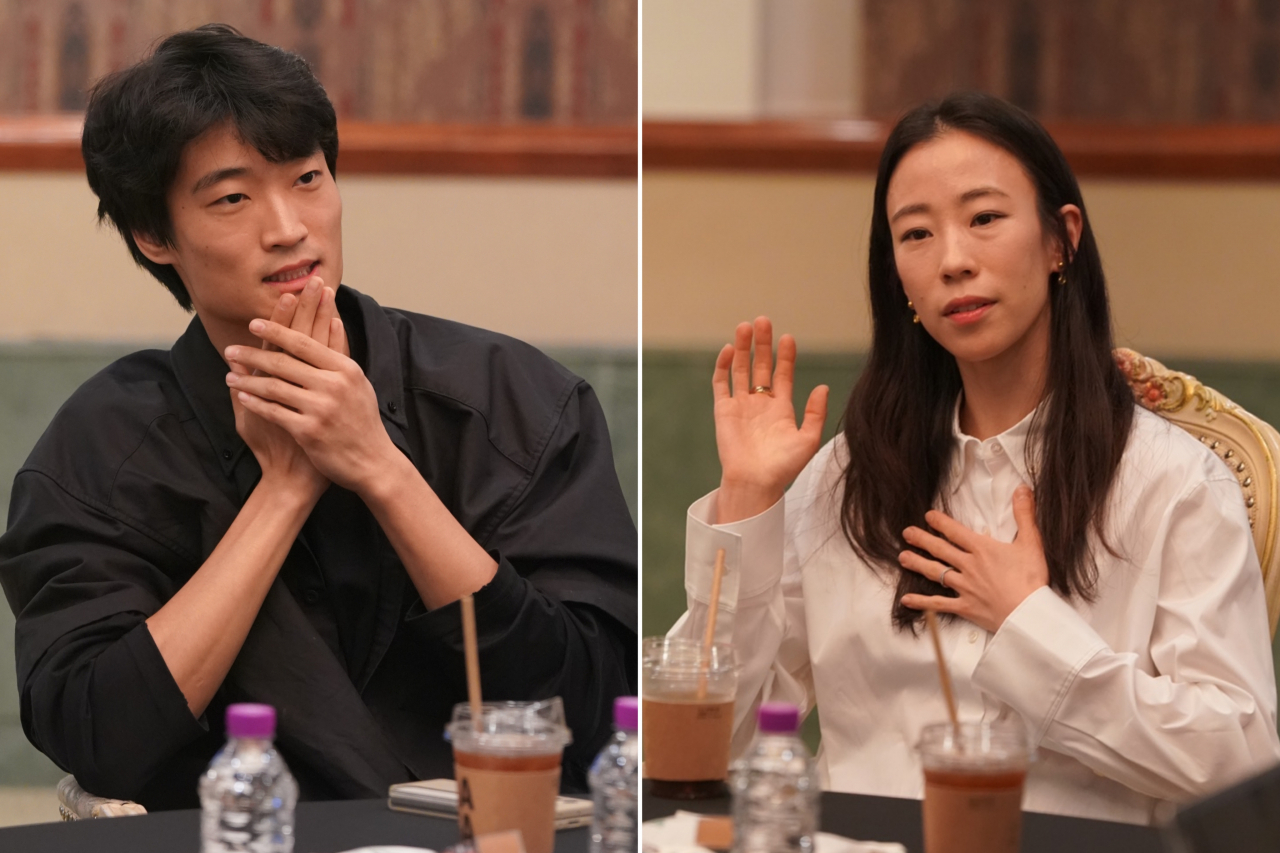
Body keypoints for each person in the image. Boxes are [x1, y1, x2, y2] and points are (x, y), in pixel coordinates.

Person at [0, 24, 636, 810]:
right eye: (233, 197)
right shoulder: (101, 450)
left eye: (307, 178)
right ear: (155, 235)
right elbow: (97, 735)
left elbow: (601, 711)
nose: (288, 226)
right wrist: (283, 491)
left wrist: (379, 466)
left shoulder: (515, 402)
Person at [669, 91, 1280, 825]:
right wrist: (747, 502)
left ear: (1061, 240)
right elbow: (709, 742)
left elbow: (1241, 758)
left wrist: (1030, 624)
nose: (953, 261)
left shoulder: (1169, 478)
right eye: (916, 234)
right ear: (898, 278)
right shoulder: (850, 474)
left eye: (984, 218)